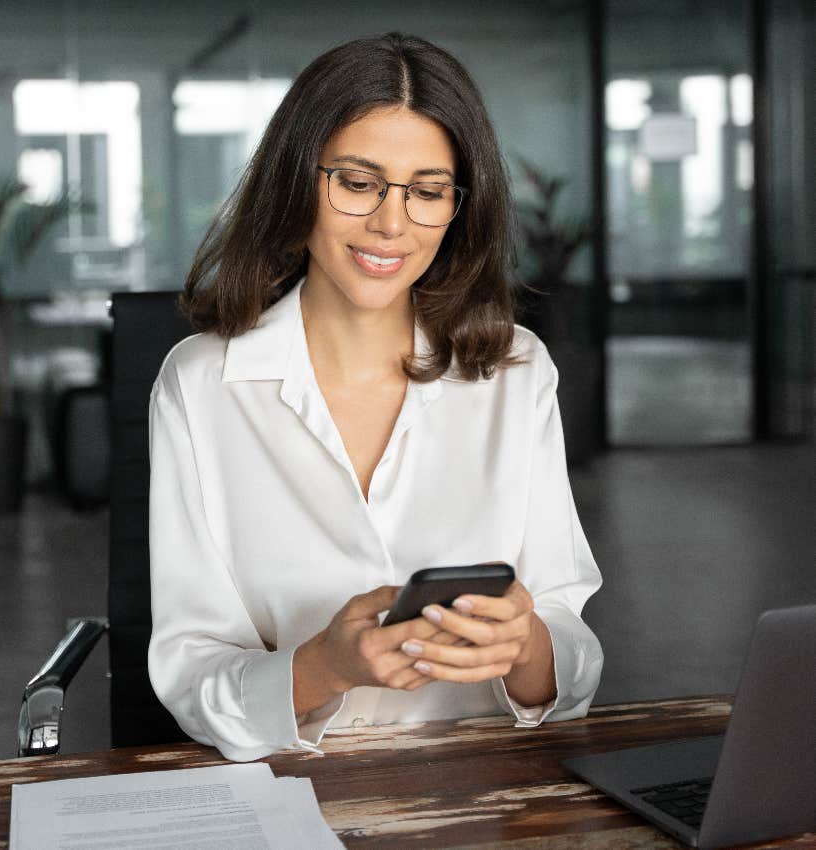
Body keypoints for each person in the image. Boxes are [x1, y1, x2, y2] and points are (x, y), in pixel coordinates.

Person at [148, 31, 603, 763]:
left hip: (482, 791)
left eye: (427, 192)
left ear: (458, 208)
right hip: (287, 792)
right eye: (358, 184)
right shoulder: (200, 382)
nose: (392, 224)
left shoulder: (517, 368)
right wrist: (325, 666)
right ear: (299, 186)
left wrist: (525, 644)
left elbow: (569, 651)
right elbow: (191, 665)